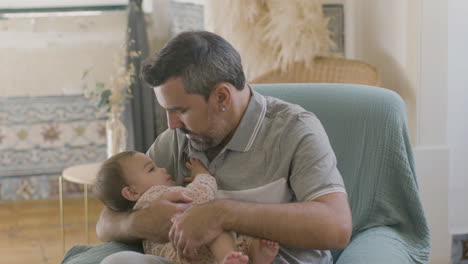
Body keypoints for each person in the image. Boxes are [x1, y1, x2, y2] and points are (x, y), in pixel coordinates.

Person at [97, 30, 352, 264]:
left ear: (221, 97)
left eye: (181, 111)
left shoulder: (294, 131)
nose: (171, 124)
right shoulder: (177, 139)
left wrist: (221, 214)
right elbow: (105, 223)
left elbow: (337, 227)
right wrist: (140, 222)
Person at [95, 150, 280, 264]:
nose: (162, 169)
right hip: (187, 251)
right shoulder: (157, 195)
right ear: (131, 193)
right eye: (151, 169)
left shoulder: (138, 204)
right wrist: (203, 176)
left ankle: (252, 256)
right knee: (217, 225)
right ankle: (239, 257)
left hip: (183, 253)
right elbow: (199, 196)